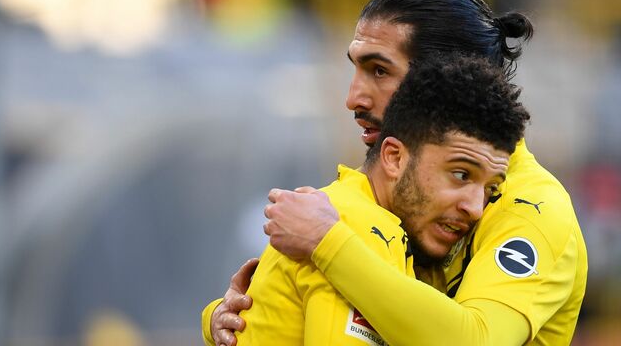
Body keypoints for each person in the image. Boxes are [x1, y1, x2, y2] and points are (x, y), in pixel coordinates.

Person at [203, 0, 588, 346]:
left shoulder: (532, 212)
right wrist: (233, 318)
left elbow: (474, 339)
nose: (353, 98)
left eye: (380, 71)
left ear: (447, 80)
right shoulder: (380, 200)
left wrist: (330, 245)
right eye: (357, 67)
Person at [221, 52, 529, 345]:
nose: (475, 208)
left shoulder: (351, 215)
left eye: (490, 189)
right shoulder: (354, 230)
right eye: (460, 174)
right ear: (394, 157)